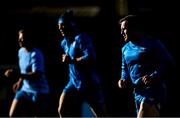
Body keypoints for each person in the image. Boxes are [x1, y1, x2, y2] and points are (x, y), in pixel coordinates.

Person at [117, 15, 175, 117]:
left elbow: (168, 62)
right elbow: (124, 68)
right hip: (137, 92)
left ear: (134, 28)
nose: (122, 32)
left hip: (153, 90)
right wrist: (123, 79)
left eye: (124, 29)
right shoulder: (125, 49)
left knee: (143, 111)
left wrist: (153, 76)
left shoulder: (153, 43)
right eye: (121, 30)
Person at [57, 10, 107, 117]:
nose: (60, 28)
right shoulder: (64, 42)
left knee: (100, 114)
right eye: (59, 26)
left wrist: (72, 60)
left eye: (62, 26)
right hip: (73, 82)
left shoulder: (81, 38)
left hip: (88, 83)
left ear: (70, 25)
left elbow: (91, 56)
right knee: (62, 110)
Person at [4, 28, 50, 117]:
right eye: (19, 38)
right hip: (25, 90)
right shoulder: (20, 52)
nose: (19, 40)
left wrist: (16, 74)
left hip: (39, 91)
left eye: (22, 38)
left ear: (29, 39)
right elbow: (24, 71)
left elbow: (37, 75)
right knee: (12, 114)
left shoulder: (36, 54)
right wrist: (19, 82)